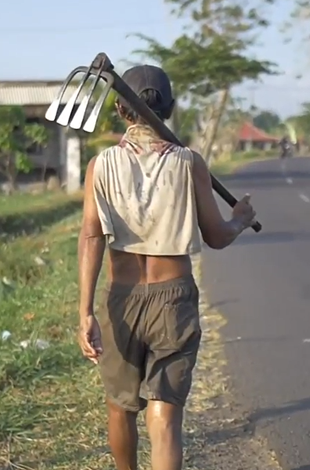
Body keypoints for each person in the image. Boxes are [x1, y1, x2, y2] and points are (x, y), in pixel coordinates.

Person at [77, 64, 257, 470]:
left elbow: (90, 238)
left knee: (121, 407)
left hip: (120, 301)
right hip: (173, 300)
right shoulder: (189, 162)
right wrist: (241, 219)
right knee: (166, 415)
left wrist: (85, 311)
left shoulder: (100, 166)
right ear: (171, 110)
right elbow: (216, 236)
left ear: (122, 112)